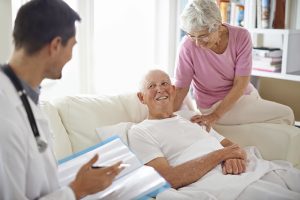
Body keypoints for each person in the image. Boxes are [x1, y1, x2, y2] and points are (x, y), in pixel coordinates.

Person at [0, 0, 123, 199]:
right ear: (56, 45)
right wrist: (77, 190)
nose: (71, 56)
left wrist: (76, 183)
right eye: (72, 46)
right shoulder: (5, 115)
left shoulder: (24, 95)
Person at [128, 69, 300, 199]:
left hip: (247, 168)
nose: (160, 89)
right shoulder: (140, 131)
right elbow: (166, 178)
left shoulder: (190, 117)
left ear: (173, 90)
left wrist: (234, 157)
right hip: (219, 183)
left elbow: (230, 146)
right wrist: (223, 154)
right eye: (151, 86)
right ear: (141, 97)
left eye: (164, 83)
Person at [173, 0, 294, 131]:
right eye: (192, 36)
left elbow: (241, 84)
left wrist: (215, 116)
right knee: (287, 114)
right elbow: (181, 89)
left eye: (203, 36)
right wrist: (164, 119)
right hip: (213, 105)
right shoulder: (187, 46)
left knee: (277, 122)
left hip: (245, 95)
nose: (197, 43)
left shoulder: (241, 36)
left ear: (218, 26)